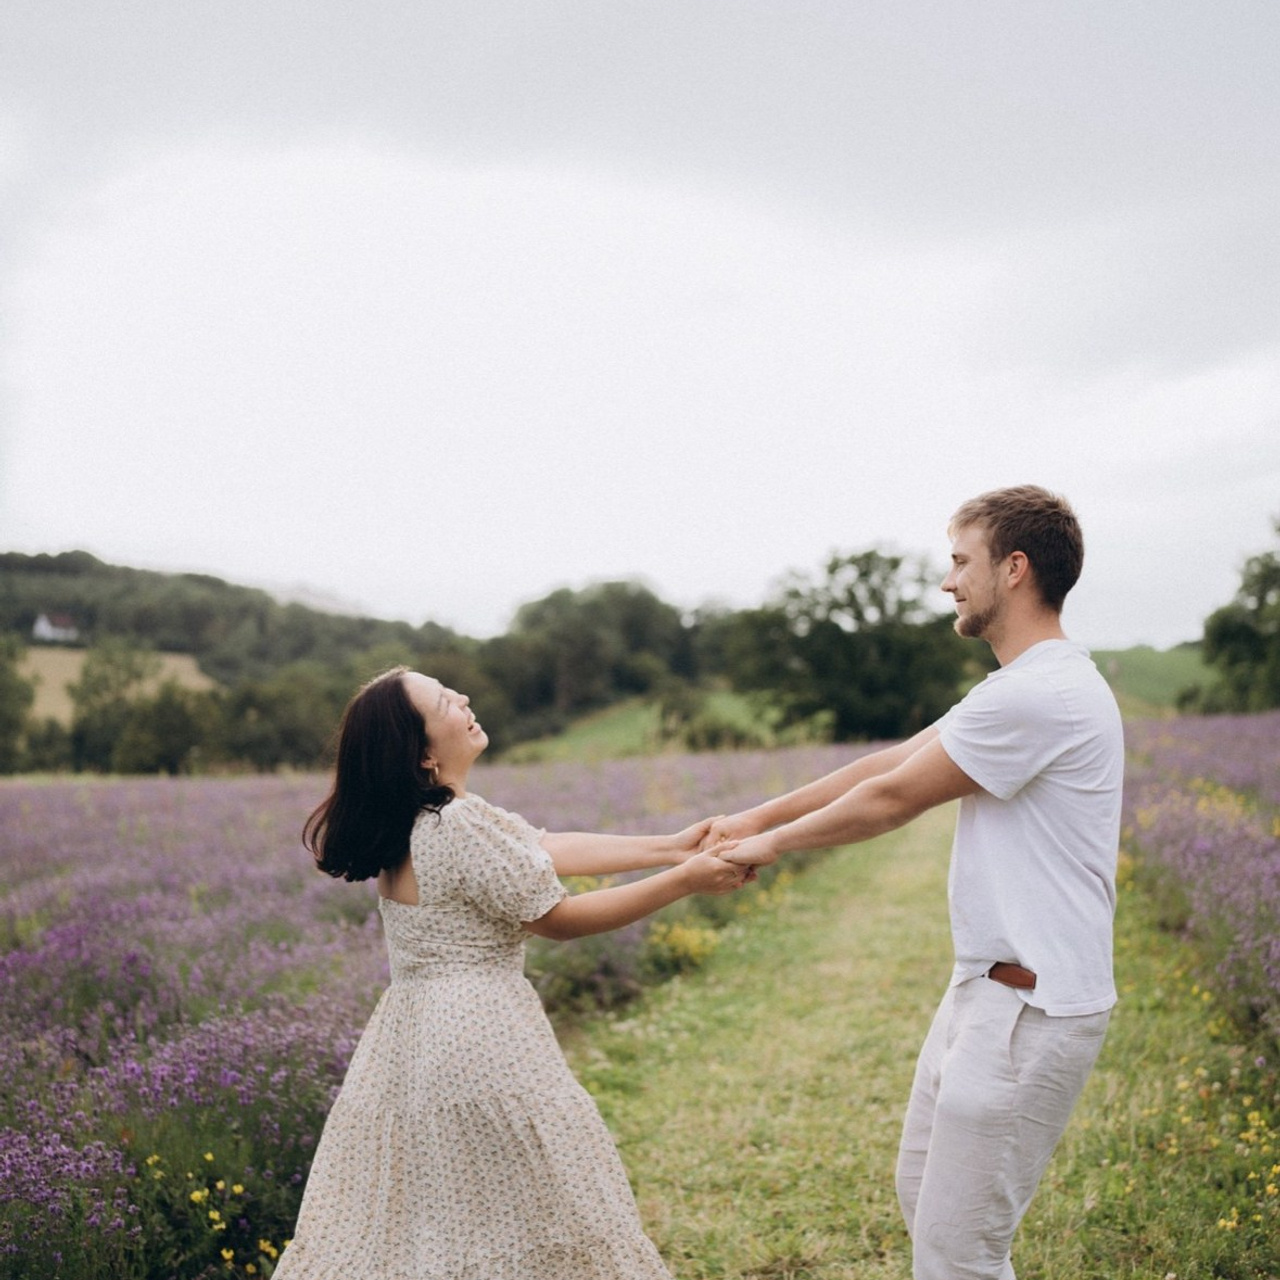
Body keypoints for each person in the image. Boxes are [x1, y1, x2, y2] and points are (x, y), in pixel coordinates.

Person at [710, 485, 1123, 1280]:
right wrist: (747, 819)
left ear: (1013, 568)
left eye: (960, 561)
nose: (947, 581)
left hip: (1029, 1010)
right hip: (987, 991)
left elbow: (893, 799)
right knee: (921, 1198)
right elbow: (889, 762)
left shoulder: (1045, 692)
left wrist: (761, 847)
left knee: (959, 1255)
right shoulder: (1019, 685)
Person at [272, 665, 748, 1280]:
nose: (464, 699)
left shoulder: (424, 822)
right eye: (445, 701)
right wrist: (685, 881)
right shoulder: (456, 824)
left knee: (445, 1223)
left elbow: (542, 848)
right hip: (481, 1041)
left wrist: (672, 846)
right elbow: (559, 919)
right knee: (544, 1207)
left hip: (413, 1042)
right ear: (421, 753)